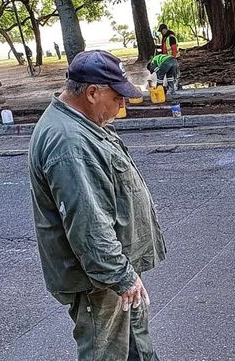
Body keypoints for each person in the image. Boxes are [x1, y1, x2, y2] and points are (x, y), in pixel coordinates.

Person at [28, 50, 165, 361]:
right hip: (98, 279)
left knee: (134, 349)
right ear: (92, 93)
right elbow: (88, 222)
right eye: (117, 97)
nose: (122, 105)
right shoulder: (69, 142)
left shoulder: (82, 123)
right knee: (106, 354)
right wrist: (121, 275)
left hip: (110, 271)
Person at [157, 23, 181, 90]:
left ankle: (178, 86)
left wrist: (172, 58)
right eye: (161, 30)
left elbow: (174, 49)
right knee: (170, 73)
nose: (162, 32)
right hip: (168, 59)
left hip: (173, 58)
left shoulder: (171, 37)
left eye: (163, 30)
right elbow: (165, 49)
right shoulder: (165, 38)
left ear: (166, 29)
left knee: (175, 73)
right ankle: (172, 86)